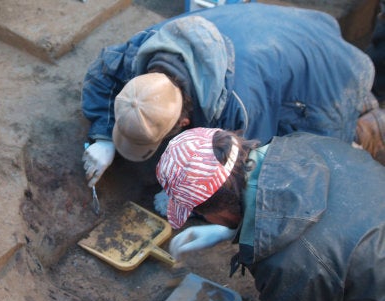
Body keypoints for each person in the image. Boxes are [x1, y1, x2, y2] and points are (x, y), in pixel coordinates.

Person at [81, 3, 385, 210]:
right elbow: (104, 73)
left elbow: (250, 166)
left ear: (185, 122)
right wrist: (105, 136)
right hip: (268, 35)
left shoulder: (242, 107)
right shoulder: (148, 49)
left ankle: (369, 127)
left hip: (323, 70)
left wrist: (189, 200)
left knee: (316, 151)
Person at [156, 127, 385, 301]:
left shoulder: (287, 266)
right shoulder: (298, 142)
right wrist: (229, 230)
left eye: (202, 213)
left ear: (220, 210)